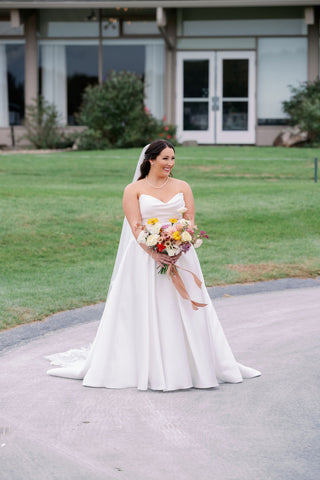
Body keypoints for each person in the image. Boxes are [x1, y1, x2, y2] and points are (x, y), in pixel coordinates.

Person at [47, 140, 260, 391]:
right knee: (144, 307)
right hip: (143, 258)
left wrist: (179, 246)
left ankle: (194, 366)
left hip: (181, 256)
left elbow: (189, 221)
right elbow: (136, 225)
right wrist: (155, 253)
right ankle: (145, 365)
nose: (170, 164)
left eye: (173, 159)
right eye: (165, 159)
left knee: (182, 308)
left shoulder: (183, 187)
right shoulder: (133, 189)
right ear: (151, 160)